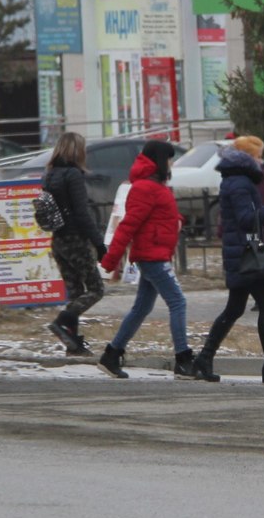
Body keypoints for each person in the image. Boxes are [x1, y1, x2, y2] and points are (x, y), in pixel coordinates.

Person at [190, 143, 264, 383]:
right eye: (257, 158)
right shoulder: (239, 184)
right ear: (247, 161)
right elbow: (247, 219)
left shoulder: (237, 181)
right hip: (244, 257)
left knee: (235, 308)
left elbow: (248, 216)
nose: (261, 162)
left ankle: (204, 360)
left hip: (240, 255)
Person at [98, 140, 190, 379]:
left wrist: (177, 220)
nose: (171, 163)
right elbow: (128, 226)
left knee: (142, 308)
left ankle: (112, 354)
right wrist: (111, 260)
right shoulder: (144, 188)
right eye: (169, 159)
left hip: (155, 253)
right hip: (153, 257)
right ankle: (183, 360)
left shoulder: (154, 186)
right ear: (160, 160)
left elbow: (159, 214)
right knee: (178, 302)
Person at [42, 132, 107, 355]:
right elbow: (82, 213)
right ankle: (62, 322)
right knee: (96, 289)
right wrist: (99, 244)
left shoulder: (50, 175)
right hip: (75, 239)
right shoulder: (73, 175)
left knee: (75, 291)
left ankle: (73, 343)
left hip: (58, 240)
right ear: (77, 150)